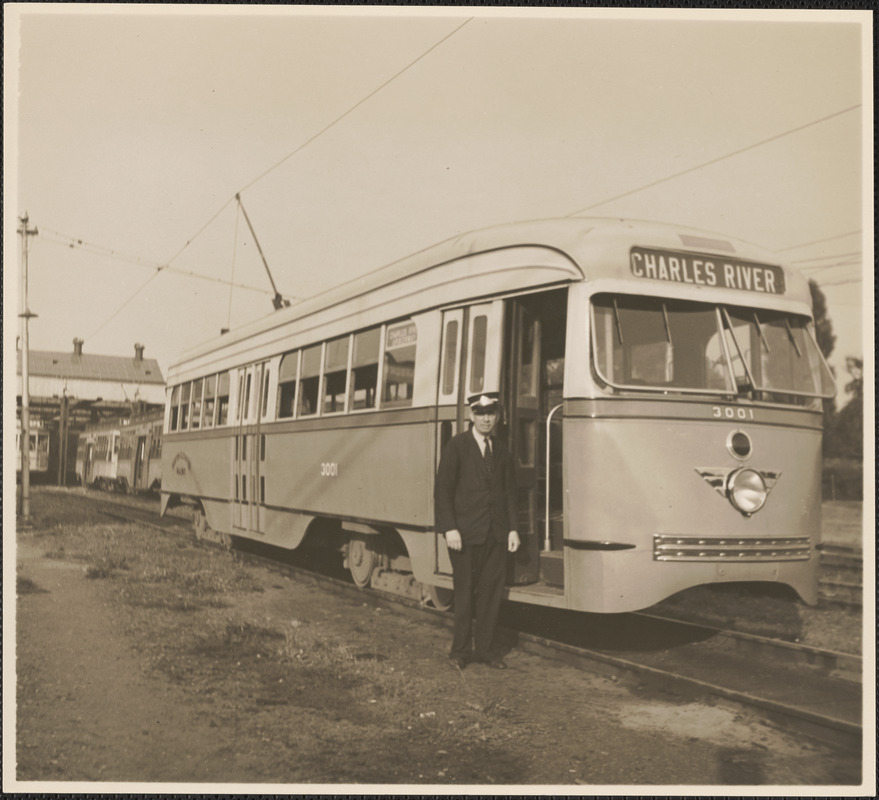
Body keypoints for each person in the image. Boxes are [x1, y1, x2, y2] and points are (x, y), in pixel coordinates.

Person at [434, 392, 520, 670]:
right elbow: (443, 490)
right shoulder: (457, 446)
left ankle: (484, 651)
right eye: (481, 414)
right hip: (464, 536)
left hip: (495, 535)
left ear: (496, 417)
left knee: (490, 595)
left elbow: (508, 493)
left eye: (491, 414)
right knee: (464, 593)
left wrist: (513, 530)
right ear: (472, 415)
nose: (486, 419)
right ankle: (459, 651)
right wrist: (450, 529)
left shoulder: (502, 449)